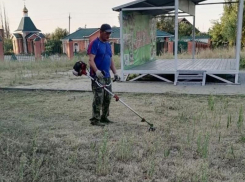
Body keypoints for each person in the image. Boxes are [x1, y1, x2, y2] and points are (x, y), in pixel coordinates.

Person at [87, 24, 120, 126]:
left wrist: (115, 73)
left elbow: (110, 61)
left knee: (107, 98)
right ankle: (95, 120)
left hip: (107, 77)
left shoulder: (108, 45)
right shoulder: (94, 44)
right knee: (98, 98)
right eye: (107, 33)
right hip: (97, 76)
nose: (108, 35)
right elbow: (91, 60)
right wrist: (96, 71)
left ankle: (104, 117)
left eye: (110, 33)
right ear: (100, 32)